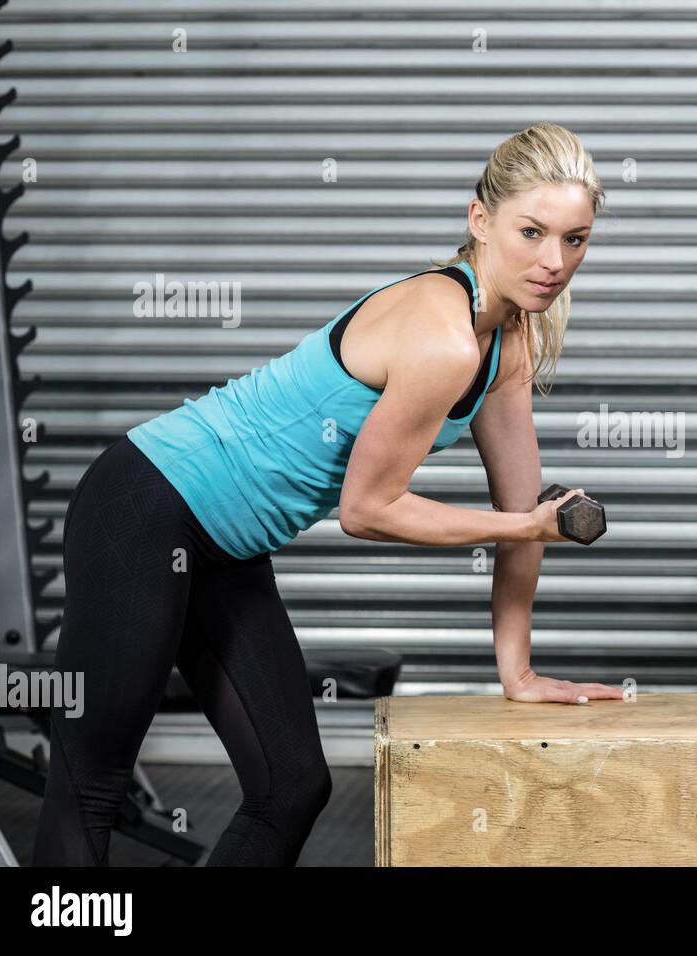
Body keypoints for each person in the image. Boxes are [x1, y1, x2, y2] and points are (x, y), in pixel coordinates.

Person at [33, 122, 621, 867]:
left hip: (224, 547)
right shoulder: (442, 334)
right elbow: (367, 509)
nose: (554, 261)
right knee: (91, 784)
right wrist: (527, 525)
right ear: (481, 220)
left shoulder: (508, 346)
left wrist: (519, 671)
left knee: (293, 787)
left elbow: (521, 511)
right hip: (146, 504)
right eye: (531, 232)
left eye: (575, 239)